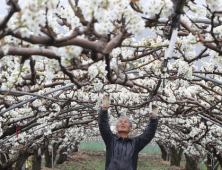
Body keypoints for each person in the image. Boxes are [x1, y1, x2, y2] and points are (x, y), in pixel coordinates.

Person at [99, 95, 159, 170]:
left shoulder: (135, 143)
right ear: (116, 128)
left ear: (130, 128)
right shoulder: (110, 140)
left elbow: (149, 134)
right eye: (120, 122)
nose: (123, 123)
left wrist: (154, 116)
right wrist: (104, 108)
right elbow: (103, 125)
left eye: (126, 122)